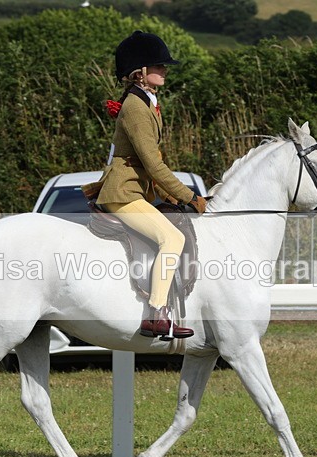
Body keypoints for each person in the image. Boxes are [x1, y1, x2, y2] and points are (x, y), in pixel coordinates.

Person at [88, 30, 206, 339]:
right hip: (123, 194)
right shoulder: (136, 108)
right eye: (159, 65)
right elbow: (153, 165)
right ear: (140, 72)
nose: (165, 70)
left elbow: (151, 166)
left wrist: (175, 196)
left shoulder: (147, 103)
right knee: (172, 238)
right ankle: (156, 313)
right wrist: (190, 196)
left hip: (134, 190)